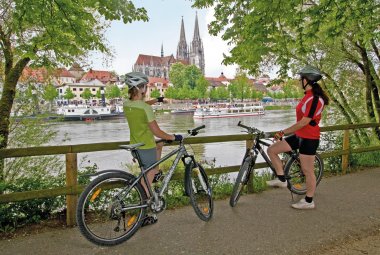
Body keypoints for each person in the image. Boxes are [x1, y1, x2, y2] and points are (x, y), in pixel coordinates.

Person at [266, 65, 329, 209]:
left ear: (307, 80)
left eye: (301, 79)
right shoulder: (307, 97)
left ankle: (309, 201)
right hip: (299, 135)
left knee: (307, 171)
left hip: (309, 138)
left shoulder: (315, 99)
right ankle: (282, 179)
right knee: (272, 150)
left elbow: (304, 122)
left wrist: (283, 132)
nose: (299, 81)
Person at [124, 72, 182, 225]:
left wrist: (157, 100)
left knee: (159, 146)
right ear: (140, 88)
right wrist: (173, 137)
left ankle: (154, 176)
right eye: (145, 86)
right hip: (146, 146)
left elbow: (141, 105)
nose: (146, 88)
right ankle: (141, 217)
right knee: (146, 184)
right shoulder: (145, 109)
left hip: (136, 145)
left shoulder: (127, 104)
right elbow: (156, 131)